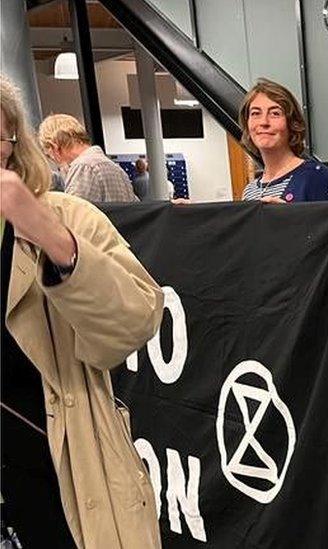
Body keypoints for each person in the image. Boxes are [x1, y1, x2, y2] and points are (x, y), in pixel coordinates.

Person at [1, 76, 163, 548]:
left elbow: (136, 320)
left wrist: (56, 243)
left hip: (68, 472)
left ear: (13, 144)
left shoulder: (68, 217)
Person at [239, 78, 328, 203]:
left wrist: (290, 217)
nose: (264, 122)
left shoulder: (315, 176)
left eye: (275, 113)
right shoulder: (249, 192)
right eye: (256, 113)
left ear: (292, 123)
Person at [37, 114, 138, 203]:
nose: (54, 161)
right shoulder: (115, 168)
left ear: (54, 147)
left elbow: (75, 219)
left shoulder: (83, 167)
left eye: (50, 156)